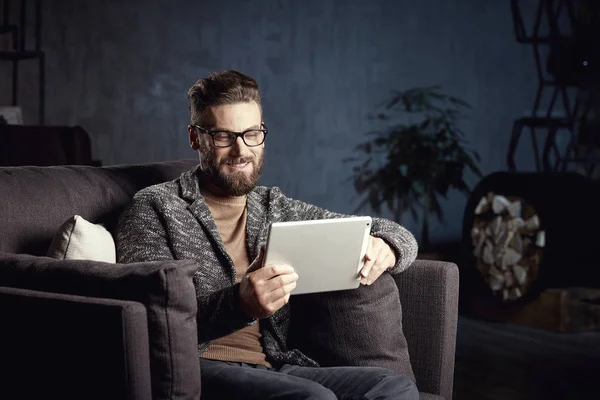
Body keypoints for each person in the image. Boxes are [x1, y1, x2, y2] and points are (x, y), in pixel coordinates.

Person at [115, 70, 419, 400]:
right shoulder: (155, 208)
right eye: (223, 136)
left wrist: (387, 244)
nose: (240, 150)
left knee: (392, 385)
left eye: (251, 134)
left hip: (274, 365)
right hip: (198, 368)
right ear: (195, 137)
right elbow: (149, 322)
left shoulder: (274, 206)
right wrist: (239, 305)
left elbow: (382, 228)